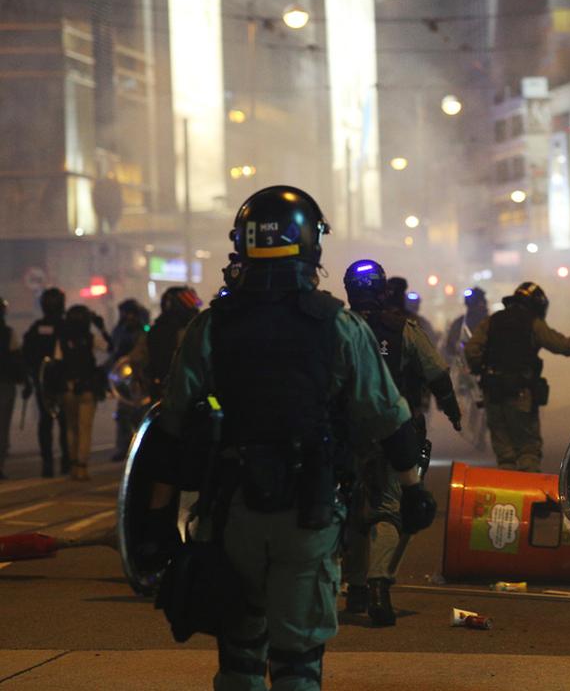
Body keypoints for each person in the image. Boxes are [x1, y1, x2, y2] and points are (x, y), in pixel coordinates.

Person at [138, 185, 435, 689]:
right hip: (309, 510)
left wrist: (157, 517)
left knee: (239, 657)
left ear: (244, 245)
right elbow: (388, 417)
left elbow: (171, 431)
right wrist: (411, 489)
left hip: (229, 511)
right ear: (311, 246)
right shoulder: (339, 327)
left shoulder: (210, 327)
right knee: (297, 660)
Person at [341, 259, 461, 627]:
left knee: (351, 509)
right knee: (389, 509)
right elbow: (436, 371)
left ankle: (357, 588)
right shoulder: (403, 329)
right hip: (396, 433)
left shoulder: (335, 328)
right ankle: (378, 587)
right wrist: (453, 410)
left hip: (345, 436)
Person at [465, 282, 570, 472]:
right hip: (520, 393)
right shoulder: (532, 323)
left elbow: (471, 350)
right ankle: (527, 496)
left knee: (505, 454)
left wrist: (481, 370)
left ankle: (507, 496)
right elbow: (561, 345)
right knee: (528, 450)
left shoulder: (492, 320)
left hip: (492, 393)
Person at [57, 305, 109, 480]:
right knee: (85, 428)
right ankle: (82, 466)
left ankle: (73, 465)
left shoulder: (62, 340)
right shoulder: (90, 337)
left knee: (71, 428)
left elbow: (56, 363)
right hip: (87, 388)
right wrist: (101, 327)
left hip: (68, 388)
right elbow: (110, 347)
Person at [21, 287, 68, 477]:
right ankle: (63, 461)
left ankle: (51, 463)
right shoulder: (65, 327)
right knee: (61, 423)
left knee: (48, 423)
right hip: (53, 382)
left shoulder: (38, 328)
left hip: (48, 383)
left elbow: (26, 355)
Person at [130, 286, 202, 403]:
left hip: (187, 394)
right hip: (168, 395)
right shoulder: (192, 329)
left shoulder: (196, 327)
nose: (192, 306)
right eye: (187, 300)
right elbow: (137, 359)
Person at [107, 299, 149, 461]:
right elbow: (114, 351)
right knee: (122, 415)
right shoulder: (120, 331)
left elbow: (143, 352)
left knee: (140, 415)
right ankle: (123, 447)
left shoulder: (144, 331)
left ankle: (141, 447)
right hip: (123, 379)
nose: (128, 317)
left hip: (139, 379)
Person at [0, 299, 20, 479]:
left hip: (6, 382)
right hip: (5, 383)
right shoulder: (8, 333)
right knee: (2, 426)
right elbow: (16, 358)